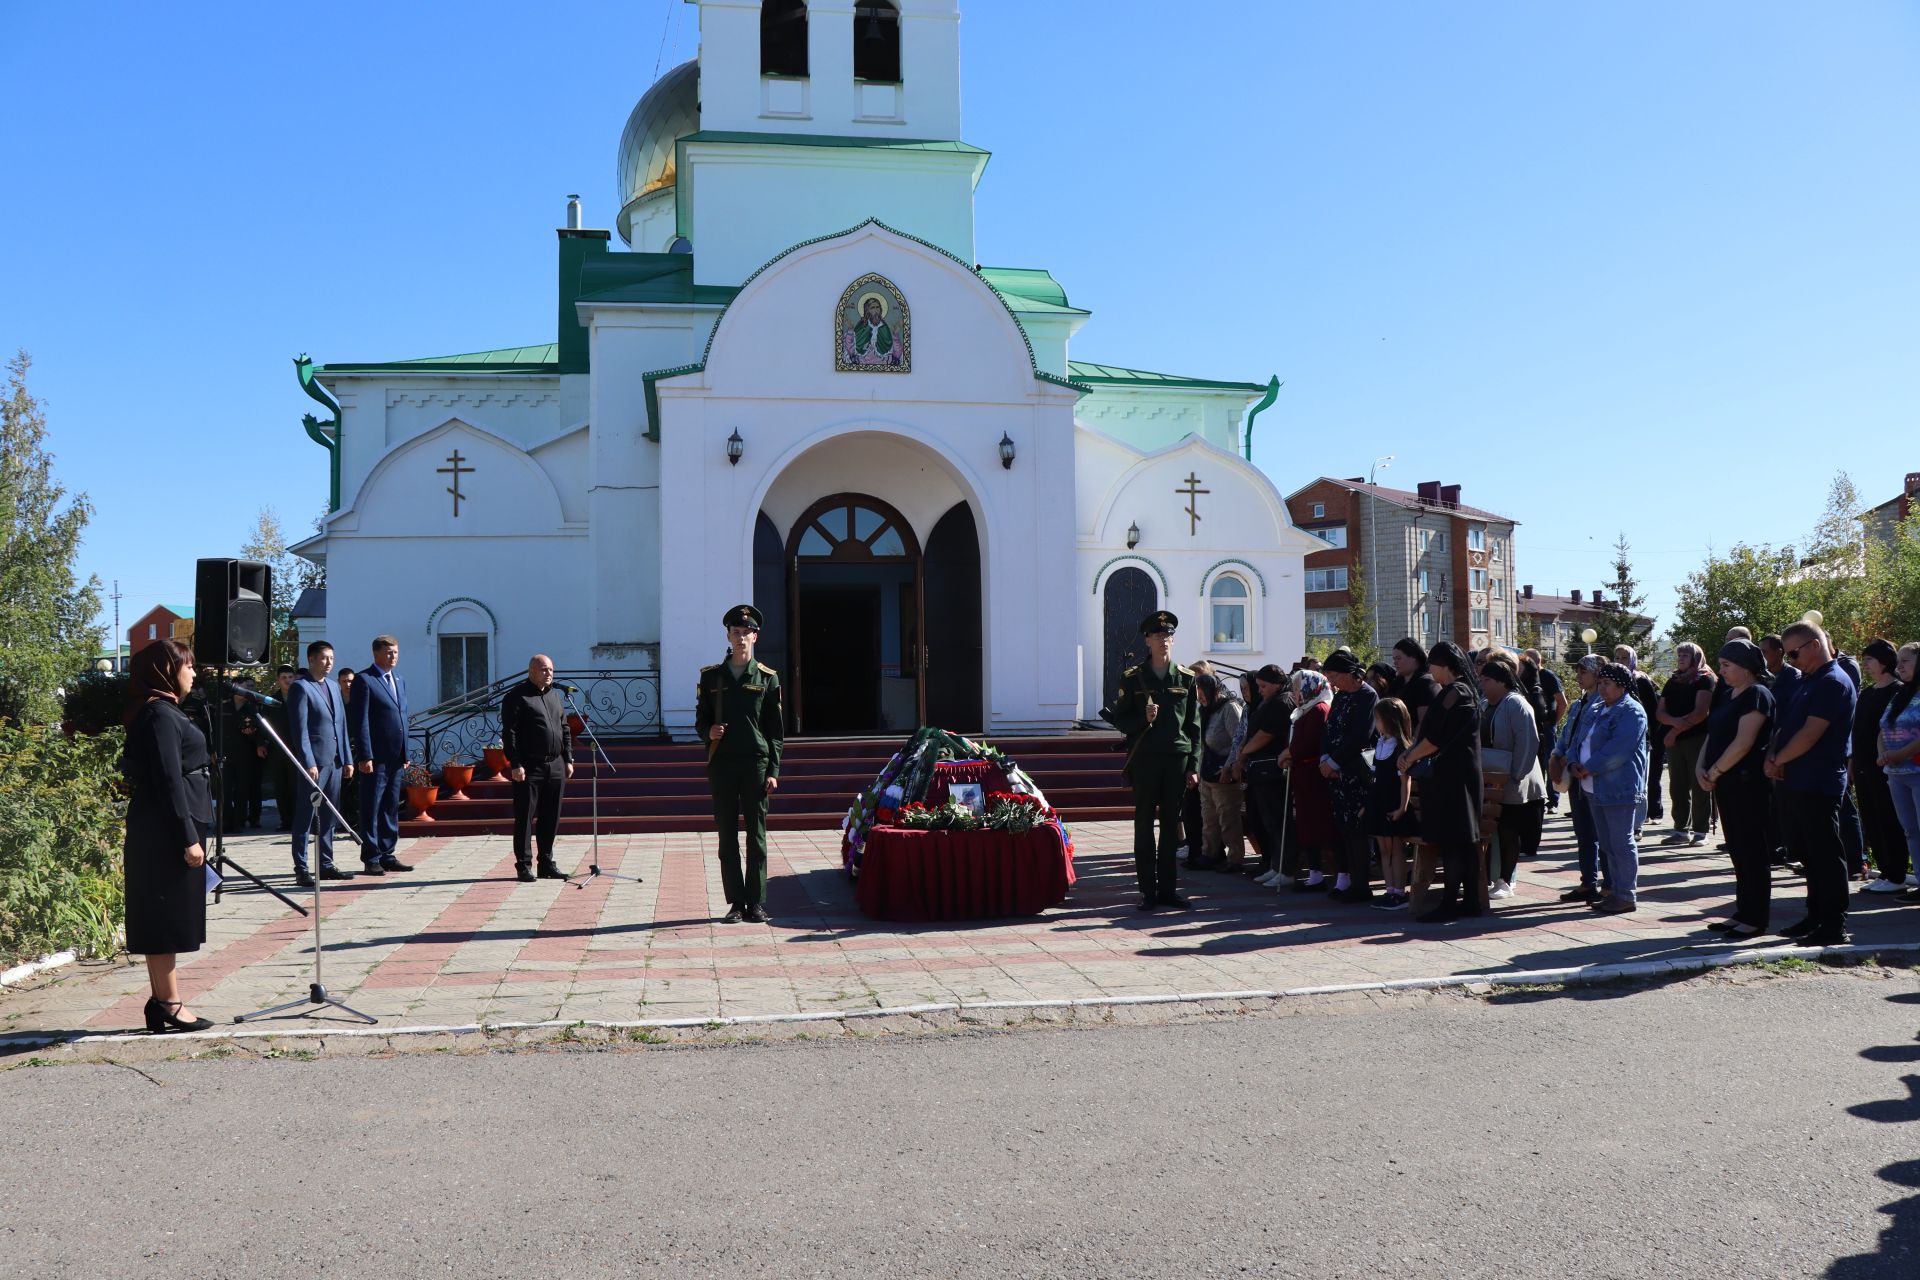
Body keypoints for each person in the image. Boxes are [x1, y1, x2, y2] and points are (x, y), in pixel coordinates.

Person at [120, 639, 216, 1033]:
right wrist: (187, 836)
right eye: (187, 666)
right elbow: (167, 780)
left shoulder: (163, 710)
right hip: (165, 831)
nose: (193, 672)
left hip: (165, 827)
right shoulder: (159, 714)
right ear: (166, 670)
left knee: (166, 917)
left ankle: (162, 1002)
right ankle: (170, 1004)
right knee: (164, 918)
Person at [1764, 621, 1856, 946]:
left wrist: (1779, 759)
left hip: (1819, 781)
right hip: (1798, 780)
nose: (1790, 660)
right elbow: (1788, 725)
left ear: (1813, 645)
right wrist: (1775, 753)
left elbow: (1810, 733)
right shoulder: (1809, 681)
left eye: (1793, 653)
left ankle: (1833, 924)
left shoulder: (1833, 682)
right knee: (1807, 853)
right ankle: (1815, 915)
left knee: (1825, 855)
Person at [1103, 610, 1200, 912]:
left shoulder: (1186, 678)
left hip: (1176, 760)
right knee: (1144, 825)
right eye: (1157, 636)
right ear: (1147, 640)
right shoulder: (1133, 678)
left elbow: (1194, 727)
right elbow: (1120, 719)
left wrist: (1194, 766)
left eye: (1168, 635)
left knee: (1172, 827)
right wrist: (1140, 720)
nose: (1164, 640)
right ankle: (1147, 890)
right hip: (1145, 760)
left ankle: (1169, 890)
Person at [696, 605, 785, 924]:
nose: (741, 637)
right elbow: (700, 721)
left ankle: (756, 901)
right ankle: (735, 902)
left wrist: (774, 771)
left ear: (755, 636)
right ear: (728, 636)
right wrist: (708, 731)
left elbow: (775, 730)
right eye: (736, 632)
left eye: (746, 632)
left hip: (755, 764)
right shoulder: (710, 677)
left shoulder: (767, 678)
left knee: (757, 836)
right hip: (722, 764)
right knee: (727, 835)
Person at [1399, 640, 1484, 923]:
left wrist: (1410, 757)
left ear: (1445, 665)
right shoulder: (1455, 691)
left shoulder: (1456, 692)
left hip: (1454, 778)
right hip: (1454, 775)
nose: (1430, 669)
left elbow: (1435, 738)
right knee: (1461, 841)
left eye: (1433, 664)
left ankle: (1451, 902)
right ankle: (1469, 901)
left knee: (1454, 840)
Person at [1697, 639, 1776, 938]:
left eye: (1727, 665)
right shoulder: (1728, 694)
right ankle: (1743, 911)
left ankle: (1756, 918)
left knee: (1752, 851)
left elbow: (1743, 742)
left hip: (1748, 784)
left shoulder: (1758, 695)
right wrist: (1700, 767)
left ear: (1746, 667)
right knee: (1738, 851)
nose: (1722, 670)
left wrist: (1714, 771)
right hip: (1725, 782)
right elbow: (1713, 733)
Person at [1573, 663, 1650, 914]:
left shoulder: (1632, 712)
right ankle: (1614, 891)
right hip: (1593, 786)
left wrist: (1589, 767)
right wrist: (1573, 760)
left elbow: (1619, 749)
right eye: (1601, 683)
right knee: (1606, 843)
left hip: (1619, 787)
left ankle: (1626, 894)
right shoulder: (1596, 708)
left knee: (1621, 841)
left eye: (1607, 683)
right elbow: (1579, 737)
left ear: (1622, 686)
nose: (1602, 688)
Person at [501, 654, 576, 883]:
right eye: (544, 669)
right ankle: (524, 865)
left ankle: (546, 863)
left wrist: (568, 758)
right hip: (529, 765)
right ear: (531, 671)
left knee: (550, 816)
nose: (549, 674)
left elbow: (564, 728)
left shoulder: (555, 696)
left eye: (551, 670)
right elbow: (509, 733)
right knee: (525, 817)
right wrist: (515, 763)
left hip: (554, 765)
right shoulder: (517, 697)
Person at [286, 641, 354, 887]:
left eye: (332, 658)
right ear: (312, 659)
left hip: (335, 762)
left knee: (330, 815)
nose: (329, 663)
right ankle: (301, 868)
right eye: (324, 658)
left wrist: (347, 758)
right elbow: (300, 729)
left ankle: (326, 864)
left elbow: (342, 726)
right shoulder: (300, 688)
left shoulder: (335, 687)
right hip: (314, 764)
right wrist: (308, 761)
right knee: (305, 816)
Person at [347, 634, 415, 876]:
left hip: (396, 756)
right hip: (375, 757)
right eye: (388, 653)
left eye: (395, 652)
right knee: (371, 806)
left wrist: (406, 751)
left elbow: (402, 717)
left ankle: (388, 854)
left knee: (390, 806)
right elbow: (360, 720)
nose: (393, 656)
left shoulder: (398, 679)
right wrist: (365, 755)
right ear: (376, 653)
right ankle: (371, 856)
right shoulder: (364, 680)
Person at [1479, 658, 1545, 899]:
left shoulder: (1517, 704)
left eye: (1487, 680)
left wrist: (1516, 775)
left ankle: (1506, 880)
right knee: (1493, 830)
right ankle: (1490, 877)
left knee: (1509, 830)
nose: (1482, 684)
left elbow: (1528, 743)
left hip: (1515, 781)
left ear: (1501, 682)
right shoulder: (1485, 704)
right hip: (1492, 779)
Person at [1319, 651, 1379, 903]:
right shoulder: (1342, 696)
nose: (1332, 682)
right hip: (1335, 774)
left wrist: (1334, 761)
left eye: (1333, 676)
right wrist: (1324, 758)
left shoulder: (1367, 696)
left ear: (1347, 673)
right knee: (1342, 828)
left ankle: (1361, 885)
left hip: (1356, 774)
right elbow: (1328, 728)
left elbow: (1360, 735)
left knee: (1357, 830)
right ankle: (1346, 881)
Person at [1853, 639, 1909, 895]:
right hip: (1863, 764)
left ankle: (1895, 873)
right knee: (1871, 818)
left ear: (1884, 661)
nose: (1865, 665)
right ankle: (1886, 871)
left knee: (1889, 819)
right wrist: (1852, 761)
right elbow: (1857, 729)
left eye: (1869, 660)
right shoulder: (1868, 692)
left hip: (1885, 765)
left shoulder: (1898, 691)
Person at [1238, 666, 1297, 886]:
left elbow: (1265, 734)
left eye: (1264, 686)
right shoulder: (1268, 700)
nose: (1260, 690)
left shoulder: (1283, 701)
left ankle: (1287, 869)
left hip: (1272, 770)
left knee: (1280, 821)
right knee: (1269, 822)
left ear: (1277, 683)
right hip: (1261, 771)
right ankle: (1276, 865)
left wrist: (1243, 753)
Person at [1655, 642, 1717, 847]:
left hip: (1697, 739)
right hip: (1675, 741)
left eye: (1686, 655)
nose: (1681, 658)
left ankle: (1700, 831)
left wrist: (1674, 730)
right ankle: (1681, 829)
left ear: (1696, 657)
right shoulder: (1673, 680)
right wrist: (1673, 723)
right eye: (1679, 654)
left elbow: (1701, 712)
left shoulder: (1705, 679)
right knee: (1677, 786)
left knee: (1699, 784)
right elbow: (1660, 712)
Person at [1875, 642, 1920, 904]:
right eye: (1898, 661)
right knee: (1911, 831)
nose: (1898, 666)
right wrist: (1883, 753)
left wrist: (1899, 754)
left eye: (1905, 661)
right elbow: (1883, 728)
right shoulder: (1900, 694)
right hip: (1896, 773)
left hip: (1915, 770)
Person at [1285, 669, 1336, 892]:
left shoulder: (1319, 709)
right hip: (1302, 774)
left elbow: (1310, 743)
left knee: (1317, 823)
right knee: (1306, 823)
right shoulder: (1305, 709)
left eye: (1297, 688)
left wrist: (1289, 754)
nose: (1295, 693)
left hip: (1313, 776)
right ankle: (1314, 873)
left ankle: (1326, 874)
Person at [1368, 697, 1419, 910]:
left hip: (1394, 803)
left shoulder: (1401, 748)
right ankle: (1389, 890)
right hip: (1380, 802)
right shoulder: (1380, 743)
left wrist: (1402, 807)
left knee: (1397, 848)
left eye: (1378, 718)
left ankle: (1400, 891)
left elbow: (1404, 780)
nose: (1376, 722)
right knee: (1384, 849)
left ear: (1389, 720)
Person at [1194, 674, 1247, 872]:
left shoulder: (1229, 708)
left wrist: (1229, 766)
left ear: (1214, 691)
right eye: (1197, 694)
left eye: (1203, 694)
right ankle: (1210, 854)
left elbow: (1239, 739)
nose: (1200, 698)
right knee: (1208, 819)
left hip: (1224, 773)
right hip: (1207, 773)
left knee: (1228, 819)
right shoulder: (1206, 711)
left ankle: (1235, 859)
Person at [1615, 645, 1665, 825]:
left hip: (1646, 738)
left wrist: (1650, 737)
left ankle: (1652, 813)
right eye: (1618, 658)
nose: (1620, 661)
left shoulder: (1640, 680)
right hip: (1622, 738)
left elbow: (1652, 712)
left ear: (1633, 660)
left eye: (1624, 658)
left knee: (1648, 779)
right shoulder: (1613, 680)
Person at [1522, 649, 1566, 812]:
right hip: (1531, 727)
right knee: (1536, 763)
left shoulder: (1548, 676)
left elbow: (1562, 702)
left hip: (1546, 727)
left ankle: (1553, 801)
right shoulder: (1525, 678)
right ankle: (1538, 798)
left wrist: (1553, 722)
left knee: (1550, 762)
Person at [219, 679, 263, 831]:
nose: (246, 691)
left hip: (244, 753)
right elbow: (214, 730)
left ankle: (239, 821)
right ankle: (225, 821)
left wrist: (254, 737)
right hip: (225, 753)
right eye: (243, 687)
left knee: (242, 789)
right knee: (224, 789)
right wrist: (213, 750)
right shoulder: (223, 705)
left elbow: (259, 730)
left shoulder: (252, 708)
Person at [265, 665, 298, 831]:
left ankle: (297, 820)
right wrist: (261, 744)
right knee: (281, 787)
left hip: (297, 750)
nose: (288, 681)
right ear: (278, 680)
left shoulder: (300, 698)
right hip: (277, 751)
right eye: (284, 678)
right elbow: (264, 725)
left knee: (295, 786)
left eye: (290, 677)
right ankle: (285, 821)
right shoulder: (272, 702)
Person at [1389, 638, 1441, 732]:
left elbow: (1425, 724)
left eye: (1399, 658)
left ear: (1413, 657)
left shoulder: (1427, 683)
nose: (1395, 662)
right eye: (1394, 659)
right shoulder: (1397, 683)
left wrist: (1412, 745)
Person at [333, 667, 360, 834]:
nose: (348, 684)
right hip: (340, 749)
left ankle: (356, 821)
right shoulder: (335, 701)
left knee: (356, 787)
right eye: (344, 681)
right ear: (339, 682)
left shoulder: (360, 700)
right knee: (342, 788)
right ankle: (343, 822)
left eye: (351, 681)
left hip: (357, 749)